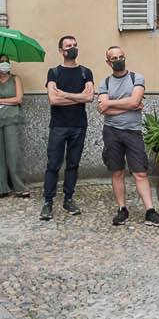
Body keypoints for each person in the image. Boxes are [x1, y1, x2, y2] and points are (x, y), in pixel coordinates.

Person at [97, 45, 159, 228]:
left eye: (121, 56)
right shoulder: (104, 82)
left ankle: (150, 211)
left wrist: (111, 105)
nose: (119, 60)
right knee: (117, 171)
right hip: (111, 132)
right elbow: (101, 109)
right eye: (114, 58)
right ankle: (122, 209)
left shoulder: (137, 78)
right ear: (108, 62)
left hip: (133, 132)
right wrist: (129, 105)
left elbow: (133, 101)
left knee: (140, 172)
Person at [41, 35, 94, 221]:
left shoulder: (85, 72)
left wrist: (65, 94)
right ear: (61, 51)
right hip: (58, 126)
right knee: (53, 164)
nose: (72, 48)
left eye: (75, 45)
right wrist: (77, 96)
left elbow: (89, 98)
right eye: (68, 45)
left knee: (73, 164)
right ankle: (48, 202)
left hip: (79, 126)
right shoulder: (53, 73)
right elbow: (53, 100)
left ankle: (68, 199)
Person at [0, 54, 32, 198]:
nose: (5, 64)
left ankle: (19, 186)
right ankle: (0, 187)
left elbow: (19, 99)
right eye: (1, 62)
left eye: (7, 62)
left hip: (12, 118)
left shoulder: (15, 78)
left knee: (13, 152)